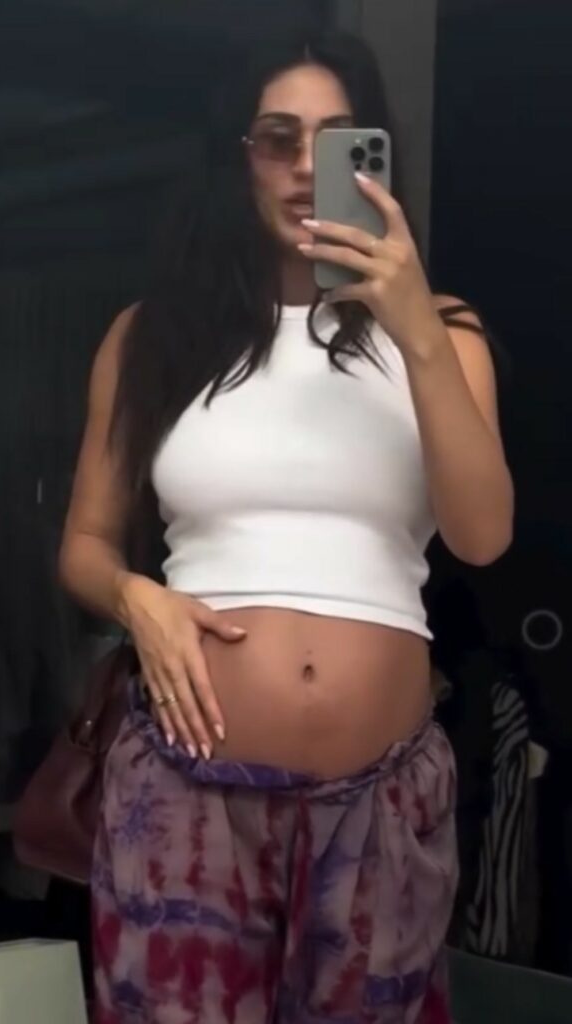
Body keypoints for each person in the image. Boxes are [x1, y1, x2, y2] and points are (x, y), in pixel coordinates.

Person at [59, 31, 514, 1024]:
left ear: (373, 154)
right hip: (183, 796)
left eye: (337, 138)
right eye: (277, 138)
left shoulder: (443, 333)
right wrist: (139, 601)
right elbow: (84, 547)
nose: (307, 166)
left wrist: (415, 330)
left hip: (379, 805)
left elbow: (481, 537)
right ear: (238, 158)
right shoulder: (151, 335)